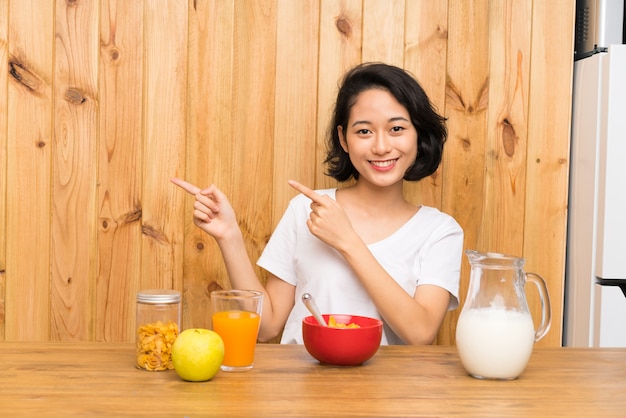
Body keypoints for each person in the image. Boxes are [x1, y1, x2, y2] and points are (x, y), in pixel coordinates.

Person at [172, 62, 463, 345]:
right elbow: (267, 326)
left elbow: (421, 332)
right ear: (344, 139)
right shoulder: (306, 210)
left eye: (397, 129)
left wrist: (348, 241)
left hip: (387, 393)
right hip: (300, 390)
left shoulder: (439, 231)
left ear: (418, 135)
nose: (381, 146)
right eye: (364, 131)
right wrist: (229, 236)